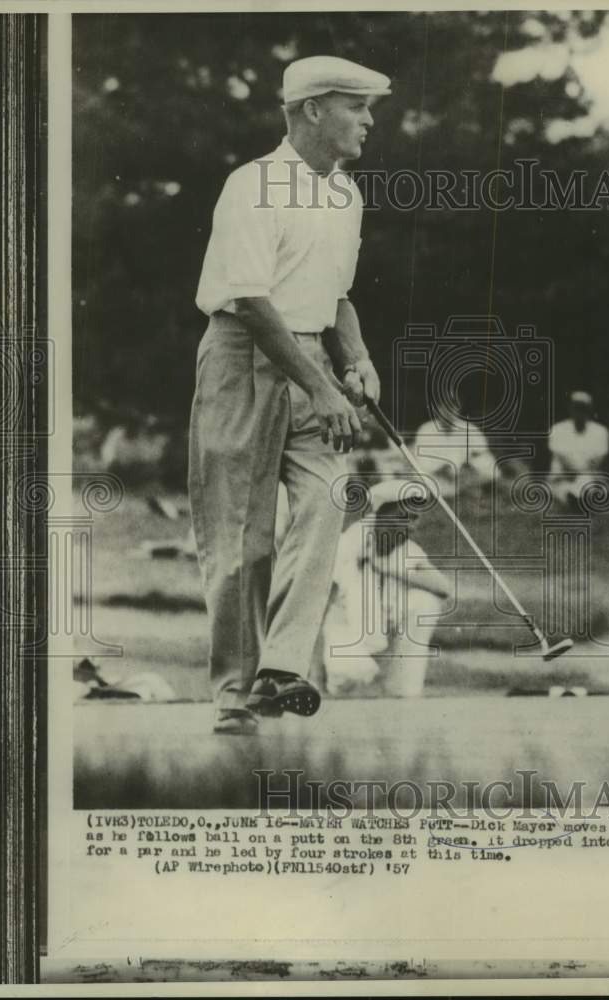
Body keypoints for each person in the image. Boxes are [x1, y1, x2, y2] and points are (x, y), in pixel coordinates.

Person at [189, 56, 391, 734]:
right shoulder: (254, 185)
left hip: (308, 358)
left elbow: (336, 299)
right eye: (356, 107)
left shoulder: (346, 194)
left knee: (329, 498)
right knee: (242, 538)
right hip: (242, 354)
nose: (368, 122)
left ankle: (280, 668)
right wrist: (322, 387)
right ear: (312, 110)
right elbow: (250, 300)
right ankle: (235, 696)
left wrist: (356, 361)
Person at [321, 480, 450, 695]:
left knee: (424, 604)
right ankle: (330, 683)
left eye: (415, 518)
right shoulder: (348, 543)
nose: (410, 526)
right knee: (352, 675)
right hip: (345, 631)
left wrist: (388, 568)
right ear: (380, 516)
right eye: (402, 517)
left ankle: (402, 690)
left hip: (385, 627)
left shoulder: (407, 549)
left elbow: (444, 588)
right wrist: (312, 671)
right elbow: (319, 607)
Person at [412, 409, 499, 499]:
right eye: (444, 410)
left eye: (452, 409)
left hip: (464, 473)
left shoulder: (468, 428)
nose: (448, 414)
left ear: (457, 410)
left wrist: (468, 466)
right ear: (437, 410)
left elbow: (480, 452)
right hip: (439, 474)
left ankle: (470, 488)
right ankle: (465, 490)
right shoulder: (426, 429)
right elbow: (422, 459)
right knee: (423, 477)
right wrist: (442, 470)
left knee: (487, 464)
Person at [547, 391, 609, 505]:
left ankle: (582, 497)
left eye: (583, 408)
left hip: (589, 478)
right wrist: (583, 473)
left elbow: (596, 463)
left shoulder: (600, 431)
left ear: (590, 410)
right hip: (563, 478)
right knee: (565, 490)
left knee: (588, 483)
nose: (580, 412)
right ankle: (579, 498)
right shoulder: (557, 430)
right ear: (570, 408)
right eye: (576, 408)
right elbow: (565, 462)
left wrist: (585, 475)